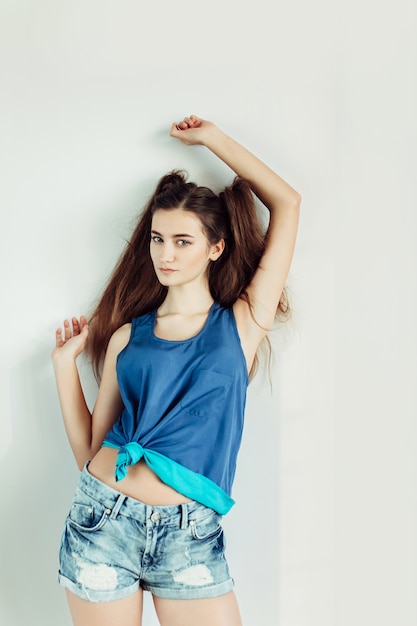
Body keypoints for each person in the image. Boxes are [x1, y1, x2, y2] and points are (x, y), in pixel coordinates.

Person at [51, 114, 301, 626]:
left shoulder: (242, 322)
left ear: (216, 248)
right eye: (158, 238)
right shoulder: (128, 336)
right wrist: (63, 367)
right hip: (102, 520)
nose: (165, 253)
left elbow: (289, 204)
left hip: (190, 533)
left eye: (182, 241)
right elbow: (91, 453)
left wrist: (212, 139)